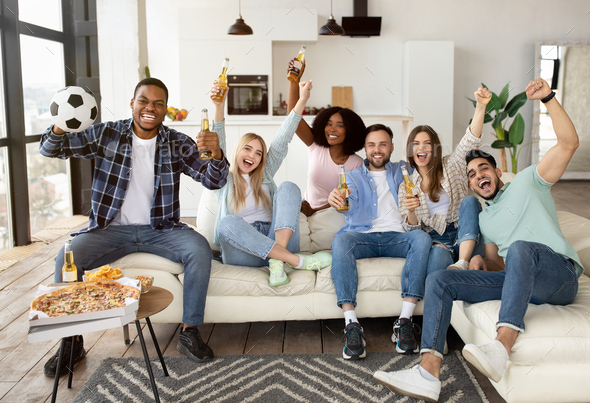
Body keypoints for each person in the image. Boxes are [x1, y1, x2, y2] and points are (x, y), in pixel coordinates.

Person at [373, 78, 583, 402]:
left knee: (522, 250)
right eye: (471, 174)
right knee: (441, 280)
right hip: (519, 277)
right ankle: (427, 372)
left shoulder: (529, 182)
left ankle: (502, 344)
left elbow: (569, 143)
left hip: (559, 277)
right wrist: (479, 261)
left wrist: (549, 99)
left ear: (497, 172)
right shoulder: (483, 217)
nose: (477, 175)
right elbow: (501, 265)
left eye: (483, 168)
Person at [39, 78, 229, 376]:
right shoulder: (107, 133)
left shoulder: (177, 142)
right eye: (143, 101)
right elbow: (52, 149)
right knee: (67, 260)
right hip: (109, 230)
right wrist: (61, 124)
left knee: (199, 249)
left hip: (161, 228)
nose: (149, 108)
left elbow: (214, 180)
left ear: (166, 109)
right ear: (132, 103)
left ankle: (189, 331)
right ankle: (71, 341)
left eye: (158, 103)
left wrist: (217, 155)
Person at [210, 79, 332, 287]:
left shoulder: (265, 174)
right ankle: (293, 261)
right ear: (237, 151)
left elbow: (283, 138)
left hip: (277, 238)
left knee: (289, 187)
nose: (252, 156)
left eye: (258, 153)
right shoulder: (224, 179)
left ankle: (277, 259)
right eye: (247, 149)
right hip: (244, 252)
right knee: (226, 224)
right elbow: (217, 142)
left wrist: (302, 99)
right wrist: (219, 106)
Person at [328, 123, 432, 360]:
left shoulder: (404, 169)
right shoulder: (352, 177)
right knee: (341, 241)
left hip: (397, 236)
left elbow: (428, 163)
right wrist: (337, 200)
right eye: (371, 144)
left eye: (383, 144)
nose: (377, 149)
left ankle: (404, 321)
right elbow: (348, 204)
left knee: (422, 238)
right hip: (362, 238)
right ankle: (352, 324)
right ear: (364, 148)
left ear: (392, 147)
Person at [399, 86, 492, 279]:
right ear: (410, 150)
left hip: (464, 232)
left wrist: (480, 107)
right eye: (416, 144)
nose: (421, 148)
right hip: (436, 239)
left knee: (470, 201)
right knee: (435, 278)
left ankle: (463, 261)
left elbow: (471, 140)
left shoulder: (452, 164)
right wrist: (411, 211)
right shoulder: (406, 186)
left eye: (426, 143)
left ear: (435, 148)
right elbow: (413, 231)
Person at [287, 58, 366, 216]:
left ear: (350, 130)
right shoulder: (316, 146)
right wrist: (294, 81)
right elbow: (292, 117)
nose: (332, 129)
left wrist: (315, 211)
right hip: (306, 209)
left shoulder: (357, 164)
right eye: (329, 124)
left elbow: (353, 200)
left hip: (335, 215)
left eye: (340, 125)